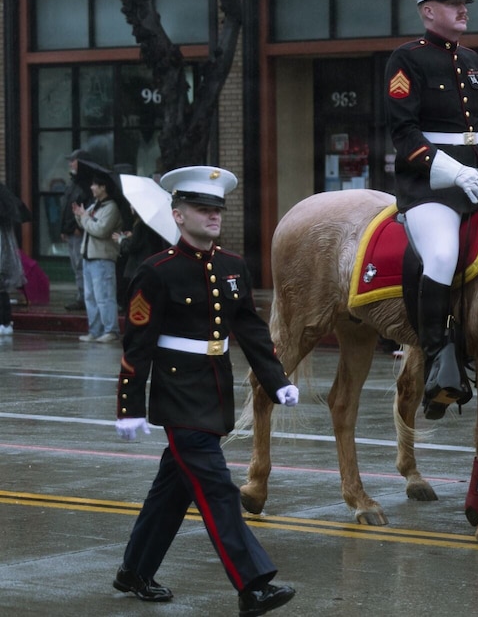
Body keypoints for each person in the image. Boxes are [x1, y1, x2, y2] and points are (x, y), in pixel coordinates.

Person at [113, 166, 299, 615]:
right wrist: (129, 407)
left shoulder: (232, 266)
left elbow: (251, 331)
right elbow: (136, 345)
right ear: (177, 215)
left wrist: (278, 382)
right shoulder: (156, 272)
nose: (213, 215)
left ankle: (134, 570)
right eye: (202, 208)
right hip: (178, 395)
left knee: (171, 491)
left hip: (213, 391)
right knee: (217, 488)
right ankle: (252, 584)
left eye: (217, 208)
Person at [385, 0, 478, 419]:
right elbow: (404, 134)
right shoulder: (405, 59)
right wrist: (448, 170)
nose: (463, 9)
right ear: (429, 12)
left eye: (464, 3)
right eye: (452, 4)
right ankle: (436, 362)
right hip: (428, 187)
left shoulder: (470, 59)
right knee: (443, 255)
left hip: (476, 179)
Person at [74, 168, 123, 344]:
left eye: (96, 184)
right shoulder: (95, 205)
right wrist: (80, 216)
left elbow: (101, 230)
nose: (92, 187)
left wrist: (85, 219)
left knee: (104, 296)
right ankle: (95, 330)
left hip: (102, 257)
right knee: (90, 297)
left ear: (104, 187)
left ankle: (111, 330)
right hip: (88, 255)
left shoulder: (112, 208)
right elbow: (87, 224)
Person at [58, 150, 93, 311]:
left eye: (73, 160)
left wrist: (79, 227)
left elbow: (87, 207)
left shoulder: (86, 184)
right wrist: (63, 229)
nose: (70, 163)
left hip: (79, 231)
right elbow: (66, 207)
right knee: (76, 266)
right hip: (71, 231)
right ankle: (81, 295)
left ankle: (84, 298)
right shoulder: (73, 183)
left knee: (80, 266)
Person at [0, 183, 27, 336]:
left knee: (1, 292)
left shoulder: (3, 227)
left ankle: (4, 322)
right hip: (3, 261)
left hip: (2, 262)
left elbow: (4, 250)